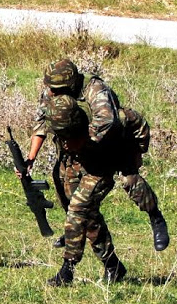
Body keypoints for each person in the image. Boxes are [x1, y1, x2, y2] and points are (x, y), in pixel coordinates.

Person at [25, 58, 169, 252]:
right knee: (65, 184)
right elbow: (42, 122)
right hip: (83, 148)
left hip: (112, 142)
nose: (53, 93)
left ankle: (156, 217)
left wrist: (81, 141)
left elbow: (107, 121)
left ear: (72, 83)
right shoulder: (51, 91)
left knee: (131, 181)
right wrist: (31, 157)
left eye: (58, 88)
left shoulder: (95, 89)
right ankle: (74, 228)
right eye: (51, 88)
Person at [43, 94, 127, 286]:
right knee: (88, 217)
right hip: (79, 164)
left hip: (101, 167)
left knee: (78, 209)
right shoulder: (60, 121)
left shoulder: (98, 129)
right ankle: (113, 265)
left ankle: (67, 271)